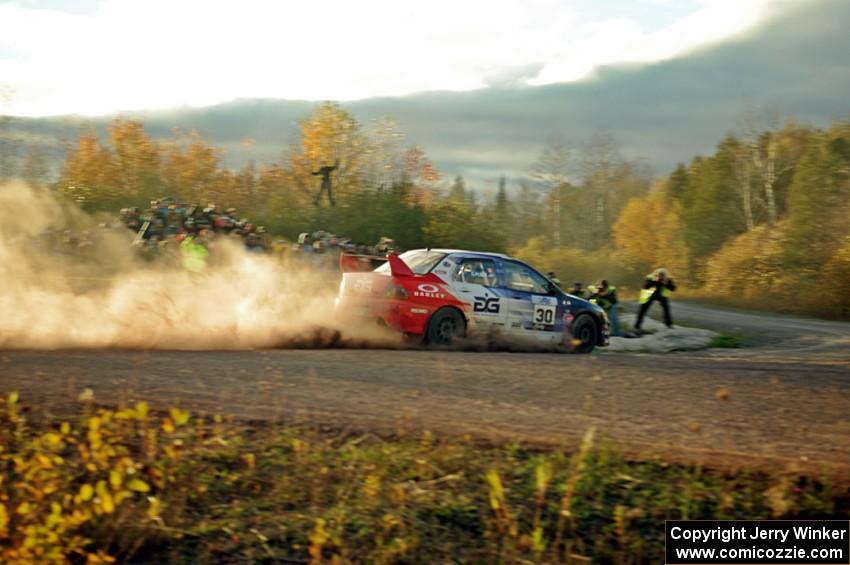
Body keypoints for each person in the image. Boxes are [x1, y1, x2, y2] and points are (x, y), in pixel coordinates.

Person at [634, 268, 676, 332]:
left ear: (665, 275)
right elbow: (645, 286)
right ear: (655, 274)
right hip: (650, 295)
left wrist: (666, 283)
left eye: (662, 275)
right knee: (643, 309)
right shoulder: (650, 277)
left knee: (666, 308)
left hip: (661, 296)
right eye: (659, 274)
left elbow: (673, 289)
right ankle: (637, 326)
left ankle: (668, 324)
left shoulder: (667, 279)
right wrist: (654, 281)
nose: (660, 276)